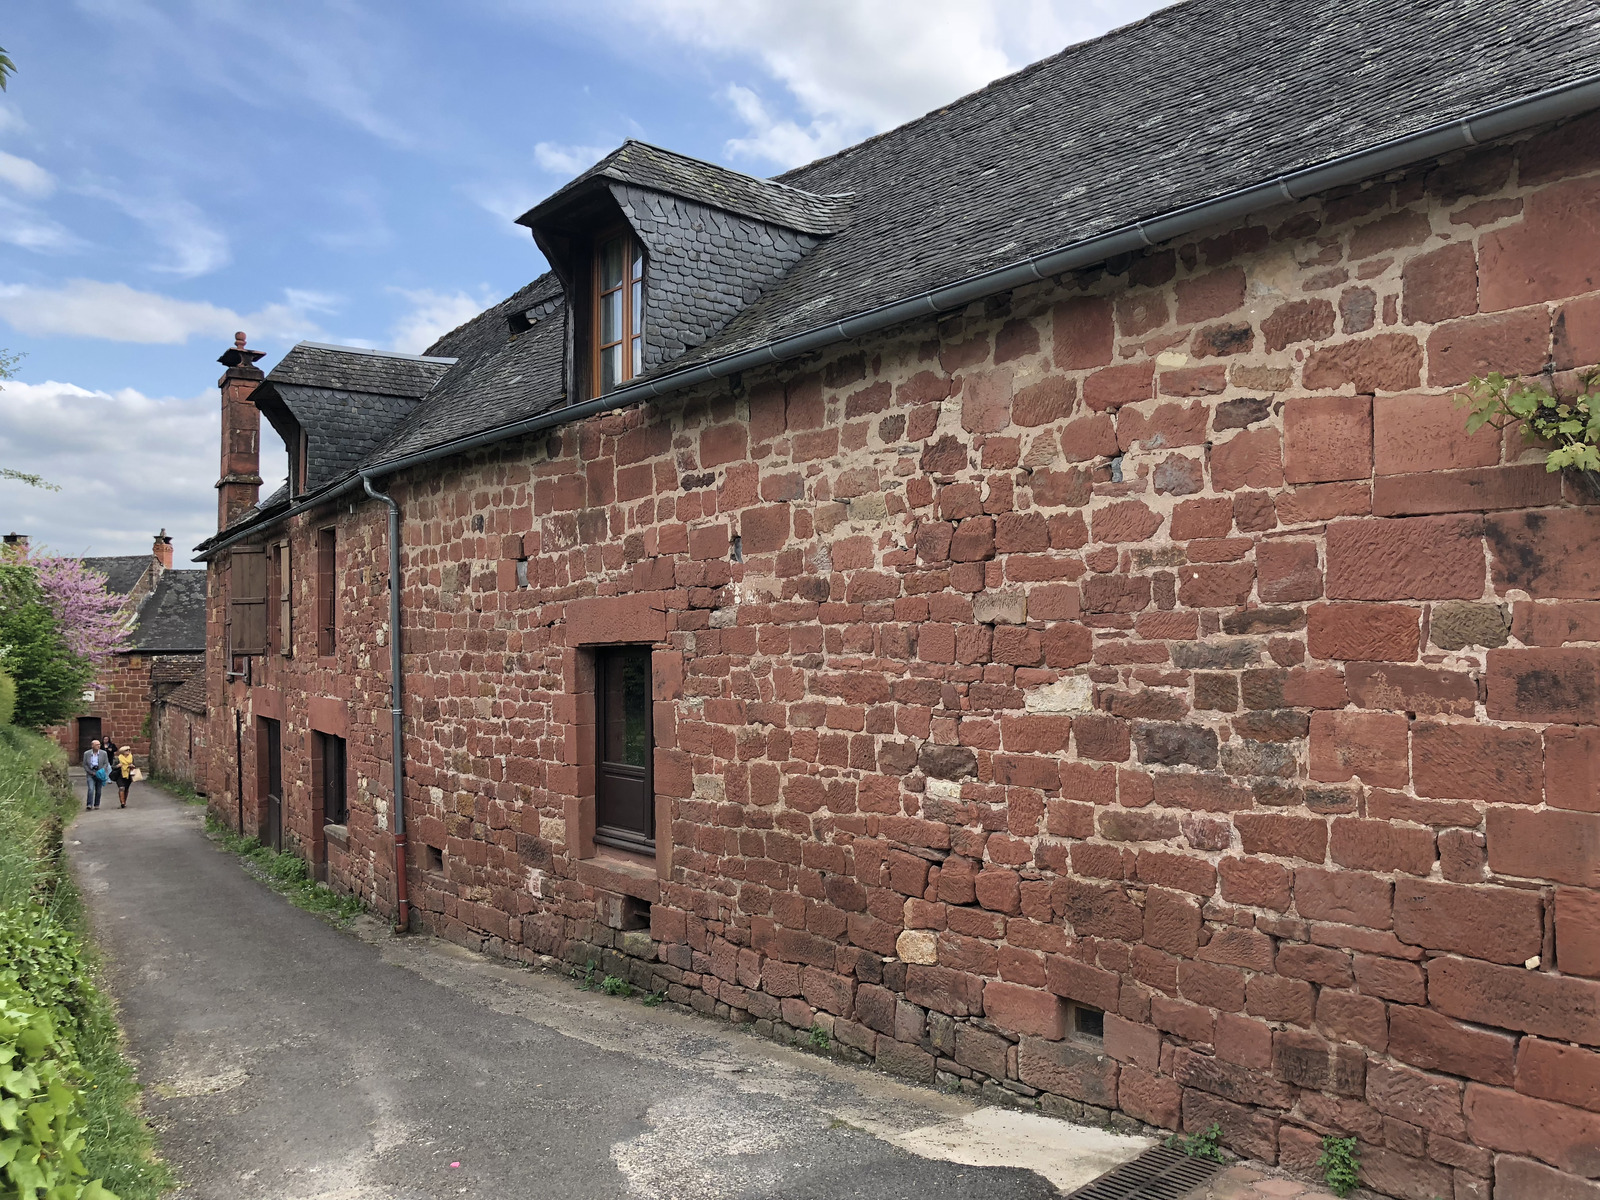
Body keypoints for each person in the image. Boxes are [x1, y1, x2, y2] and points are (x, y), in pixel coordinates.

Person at [82, 739, 108, 810]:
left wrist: (102, 771)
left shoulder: (104, 753)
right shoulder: (86, 753)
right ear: (92, 746)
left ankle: (97, 804)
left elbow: (106, 763)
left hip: (99, 773)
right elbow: (84, 764)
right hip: (91, 773)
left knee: (98, 790)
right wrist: (90, 772)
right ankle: (89, 804)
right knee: (90, 789)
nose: (98, 746)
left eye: (99, 744)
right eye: (97, 745)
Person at [112, 744, 135, 809]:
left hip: (128, 775)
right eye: (126, 750)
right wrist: (117, 766)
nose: (128, 751)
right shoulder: (118, 758)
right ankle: (122, 802)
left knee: (126, 789)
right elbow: (113, 767)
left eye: (129, 750)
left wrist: (132, 766)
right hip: (120, 775)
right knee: (121, 788)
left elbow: (135, 766)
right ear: (122, 752)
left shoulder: (131, 758)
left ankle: (124, 801)